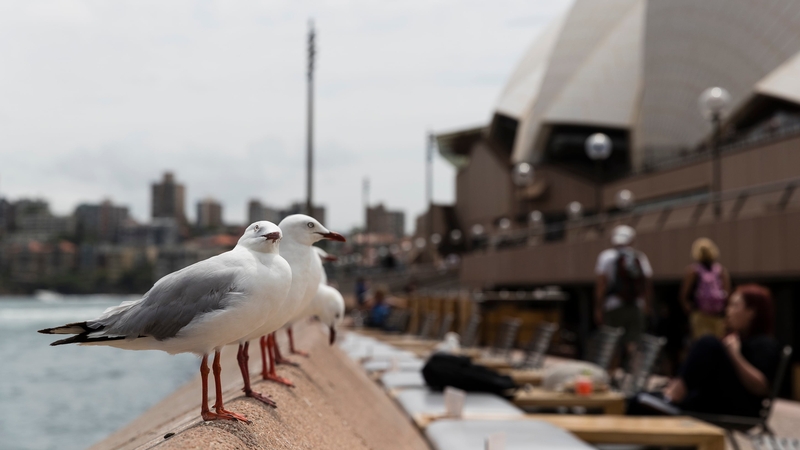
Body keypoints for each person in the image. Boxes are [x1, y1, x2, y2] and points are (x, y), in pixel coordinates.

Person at [660, 284, 782, 417]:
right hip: (714, 401)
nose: (728, 311)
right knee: (640, 401)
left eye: (734, 305)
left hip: (740, 409)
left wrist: (734, 354)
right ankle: (669, 395)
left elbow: (761, 387)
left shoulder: (763, 343)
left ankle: (671, 396)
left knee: (709, 342)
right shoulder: (738, 339)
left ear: (751, 313)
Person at [594, 225, 654, 356]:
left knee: (612, 342)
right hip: (636, 305)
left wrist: (598, 307)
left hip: (613, 305)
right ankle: (633, 372)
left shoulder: (606, 257)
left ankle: (612, 373)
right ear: (631, 240)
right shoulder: (639, 256)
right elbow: (647, 283)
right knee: (633, 342)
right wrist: (647, 305)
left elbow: (601, 285)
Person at [680, 238, 731, 339]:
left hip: (700, 314)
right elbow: (728, 293)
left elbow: (683, 294)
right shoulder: (720, 270)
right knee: (718, 343)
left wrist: (689, 308)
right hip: (718, 315)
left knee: (701, 344)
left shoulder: (693, 271)